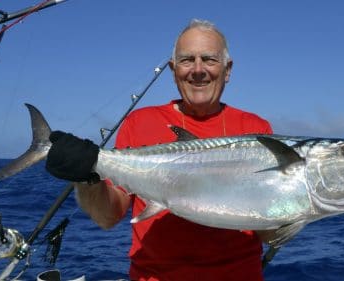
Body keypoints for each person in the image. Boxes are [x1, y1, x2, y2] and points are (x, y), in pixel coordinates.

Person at [46, 19, 273, 281]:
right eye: (188, 60)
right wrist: (86, 178)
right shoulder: (139, 123)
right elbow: (108, 217)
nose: (198, 70)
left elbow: (268, 232)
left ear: (228, 69)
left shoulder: (256, 128)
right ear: (173, 69)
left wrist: (305, 204)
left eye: (209, 59)